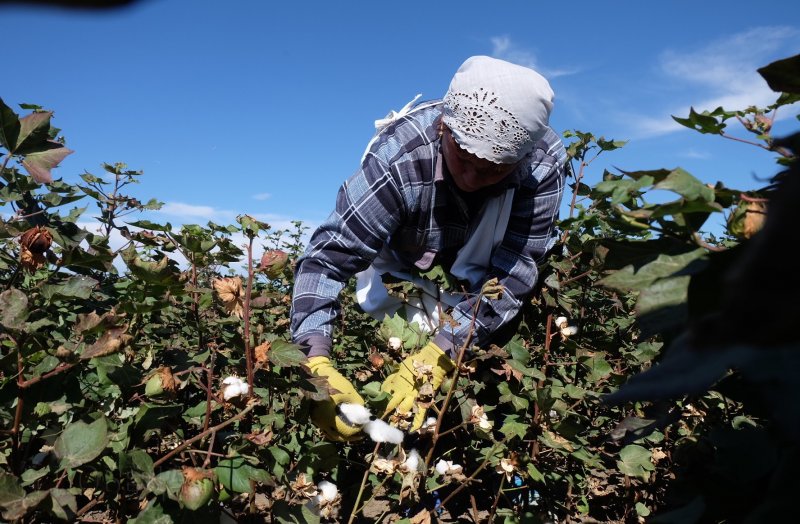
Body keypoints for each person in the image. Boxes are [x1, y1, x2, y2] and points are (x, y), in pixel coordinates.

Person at [291, 55, 567, 441]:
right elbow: (326, 261)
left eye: (492, 169)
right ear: (443, 127)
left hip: (483, 285)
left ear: (521, 156)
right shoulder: (399, 160)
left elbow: (515, 270)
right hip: (402, 273)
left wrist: (442, 353)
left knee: (463, 411)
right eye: (464, 157)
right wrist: (314, 359)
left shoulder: (542, 167)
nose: (472, 177)